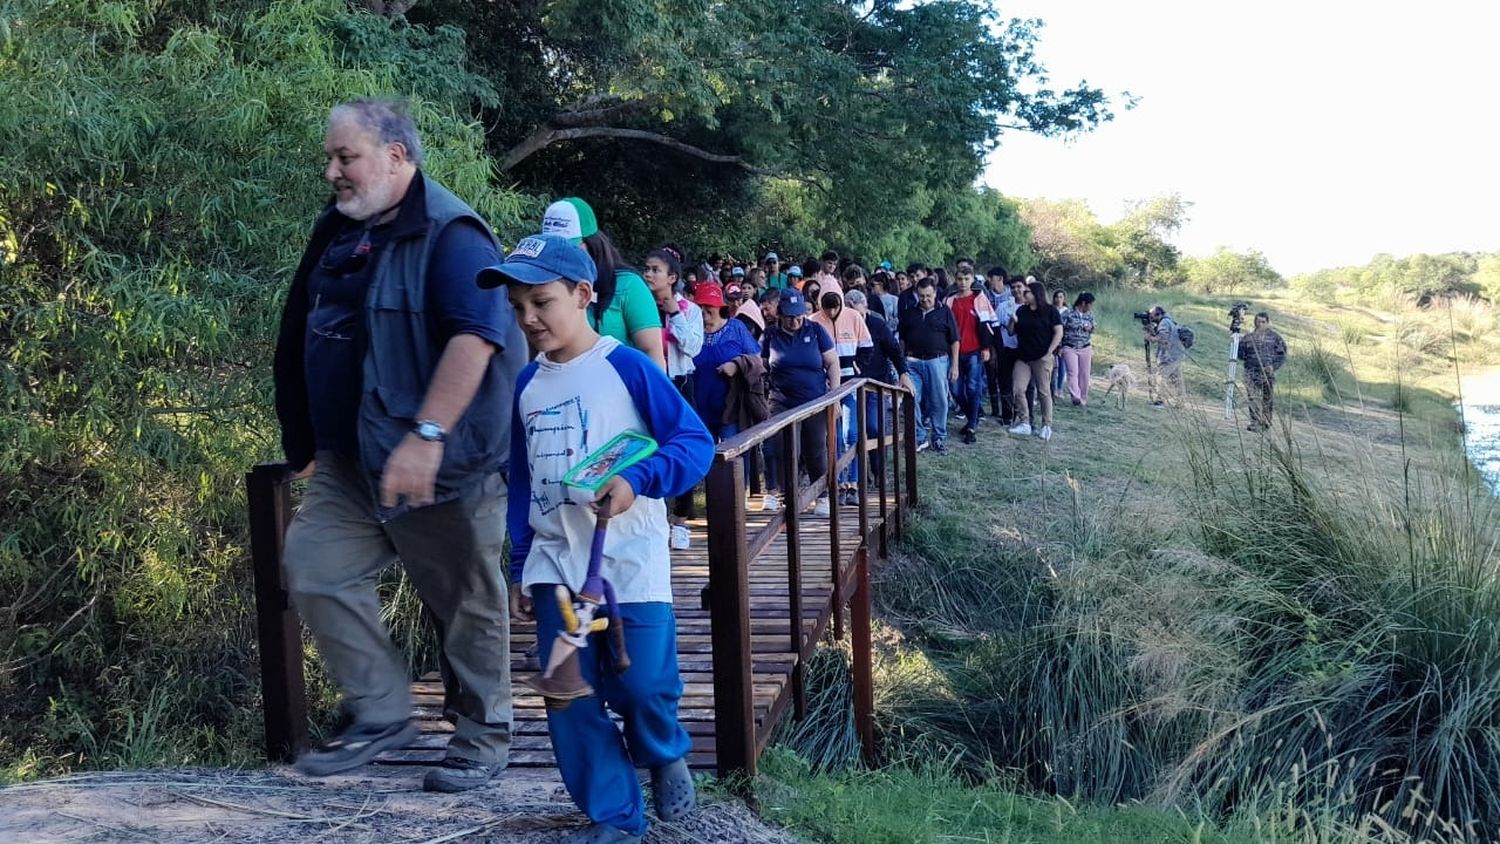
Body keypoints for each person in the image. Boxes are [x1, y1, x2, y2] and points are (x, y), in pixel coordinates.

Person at [274, 99, 520, 790]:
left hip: (444, 464)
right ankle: (383, 713)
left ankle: (483, 737)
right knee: (315, 564)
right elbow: (302, 328)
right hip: (353, 459)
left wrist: (428, 435)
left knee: (465, 600)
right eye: (330, 157)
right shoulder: (339, 230)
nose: (332, 171)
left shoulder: (453, 233)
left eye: (344, 157)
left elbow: (477, 337)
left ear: (396, 156)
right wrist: (303, 436)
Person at [483, 233, 713, 844]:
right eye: (518, 308)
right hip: (557, 567)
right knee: (568, 698)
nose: (528, 318)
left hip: (629, 560)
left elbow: (694, 445)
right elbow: (524, 481)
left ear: (584, 294)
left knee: (641, 687)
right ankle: (614, 818)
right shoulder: (527, 385)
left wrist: (637, 480)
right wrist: (521, 565)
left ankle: (662, 750)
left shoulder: (627, 365)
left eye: (542, 302)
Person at [542, 197, 665, 370]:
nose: (561, 256)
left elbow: (653, 355)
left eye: (571, 248)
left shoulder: (628, 285)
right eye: (553, 249)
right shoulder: (547, 286)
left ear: (591, 244)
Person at [642, 247, 704, 551]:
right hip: (651, 385)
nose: (649, 274)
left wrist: (675, 315)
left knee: (682, 449)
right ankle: (654, 518)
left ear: (672, 277)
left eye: (655, 269)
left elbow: (694, 346)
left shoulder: (689, 310)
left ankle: (681, 519)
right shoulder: (640, 306)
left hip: (681, 384)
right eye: (647, 269)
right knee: (649, 449)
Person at [760, 289, 840, 514]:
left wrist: (833, 398)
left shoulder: (815, 330)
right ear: (780, 315)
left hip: (814, 399)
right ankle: (790, 496)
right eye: (789, 316)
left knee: (814, 448)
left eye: (798, 315)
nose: (795, 321)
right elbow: (761, 365)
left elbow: (832, 363)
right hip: (781, 400)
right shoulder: (770, 335)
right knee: (783, 448)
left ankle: (822, 495)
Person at [811, 290, 874, 505]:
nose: (831, 311)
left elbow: (867, 346)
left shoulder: (854, 317)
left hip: (849, 382)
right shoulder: (814, 322)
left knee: (852, 432)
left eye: (834, 306)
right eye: (826, 307)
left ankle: (854, 483)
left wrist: (857, 367)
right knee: (834, 436)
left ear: (840, 303)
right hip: (826, 387)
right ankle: (837, 482)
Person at [691, 282, 764, 443]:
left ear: (719, 306)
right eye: (699, 306)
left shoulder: (736, 328)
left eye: (708, 305)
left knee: (733, 461)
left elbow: (757, 360)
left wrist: (737, 365)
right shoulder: (690, 332)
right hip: (698, 409)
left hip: (730, 409)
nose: (703, 311)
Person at [898, 278, 959, 453]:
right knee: (912, 398)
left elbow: (954, 340)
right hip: (913, 362)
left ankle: (939, 436)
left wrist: (954, 365)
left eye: (929, 296)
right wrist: (901, 362)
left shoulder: (945, 311)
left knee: (939, 400)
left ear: (935, 293)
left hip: (937, 361)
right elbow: (902, 339)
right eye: (922, 296)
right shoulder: (910, 312)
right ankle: (919, 436)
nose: (925, 299)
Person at [1007, 280, 1063, 441]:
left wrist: (1049, 352)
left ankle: (1047, 425)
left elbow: (1058, 332)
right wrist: (1012, 319)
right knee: (1018, 389)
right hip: (1023, 356)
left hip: (1042, 356)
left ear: (1036, 293)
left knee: (1043, 391)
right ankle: (1025, 422)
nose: (1024, 294)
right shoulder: (1022, 311)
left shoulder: (1050, 311)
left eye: (1027, 292)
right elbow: (1011, 332)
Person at [949, 273, 995, 443]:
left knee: (973, 387)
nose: (963, 282)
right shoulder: (950, 300)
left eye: (966, 279)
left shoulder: (979, 299)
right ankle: (972, 418)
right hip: (954, 351)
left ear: (972, 281)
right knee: (955, 389)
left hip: (974, 350)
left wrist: (986, 347)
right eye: (960, 279)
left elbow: (987, 324)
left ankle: (971, 427)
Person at [1238, 311, 1287, 431]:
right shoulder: (1248, 338)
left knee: (1267, 398)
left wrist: (1273, 367)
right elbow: (1240, 354)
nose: (1260, 324)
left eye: (1263, 322)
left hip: (1267, 373)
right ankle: (1255, 422)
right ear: (1255, 322)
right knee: (1252, 397)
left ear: (1267, 323)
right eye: (1258, 321)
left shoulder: (1275, 338)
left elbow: (1282, 355)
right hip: (1251, 372)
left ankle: (1265, 422)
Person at [1057, 292, 1096, 407]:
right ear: (1083, 303)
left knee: (1084, 373)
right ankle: (1076, 396)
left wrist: (1090, 327)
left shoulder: (1090, 315)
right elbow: (1060, 329)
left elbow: (1094, 328)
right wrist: (1059, 346)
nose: (1091, 307)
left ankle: (1083, 398)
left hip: (1085, 346)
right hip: (1070, 346)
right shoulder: (1068, 314)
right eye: (1090, 304)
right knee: (1072, 372)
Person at [1146, 305, 1186, 406]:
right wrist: (1152, 330)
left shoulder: (1164, 322)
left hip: (1169, 355)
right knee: (1176, 379)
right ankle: (1180, 402)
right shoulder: (1169, 321)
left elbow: (1162, 337)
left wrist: (1150, 338)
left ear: (1158, 315)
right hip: (1177, 354)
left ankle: (1160, 400)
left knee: (1161, 376)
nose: (1151, 318)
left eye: (1152, 316)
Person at [1051, 290, 1070, 398]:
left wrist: (1063, 344)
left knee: (1062, 366)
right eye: (1057, 297)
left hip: (1063, 341)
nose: (1058, 299)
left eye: (1061, 297)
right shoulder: (1051, 309)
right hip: (1051, 340)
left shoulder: (1067, 312)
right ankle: (1051, 388)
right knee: (1053, 366)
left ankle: (1059, 389)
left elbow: (1067, 329)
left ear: (1064, 299)